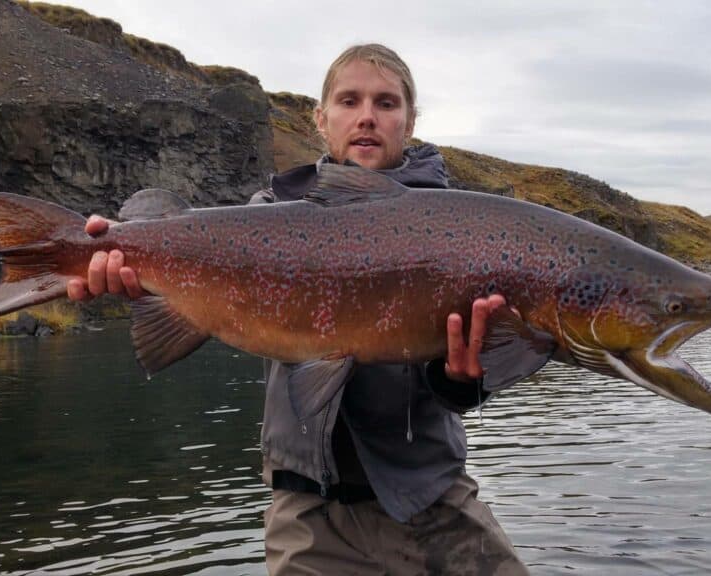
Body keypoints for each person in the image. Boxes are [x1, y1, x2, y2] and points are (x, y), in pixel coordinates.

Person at [68, 44, 528, 575]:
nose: (367, 118)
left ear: (410, 121)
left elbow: (470, 380)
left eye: (386, 103)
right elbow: (185, 259)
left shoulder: (461, 228)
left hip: (431, 496)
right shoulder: (268, 216)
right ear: (321, 118)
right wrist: (119, 264)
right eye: (349, 100)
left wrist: (460, 381)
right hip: (310, 512)